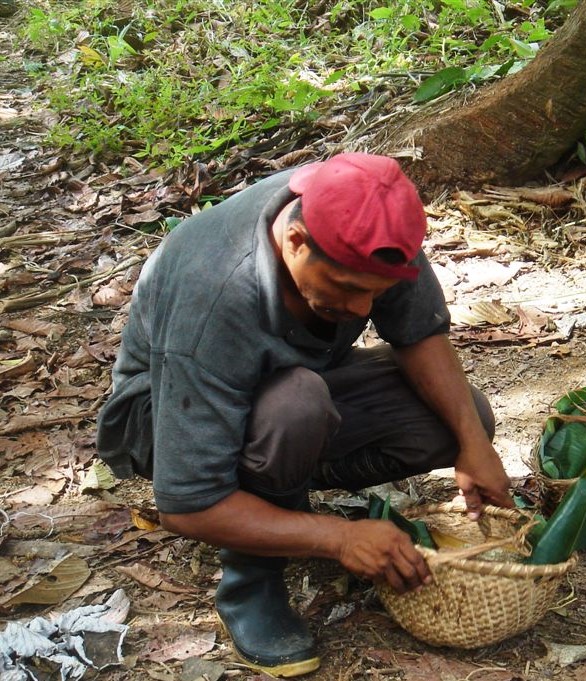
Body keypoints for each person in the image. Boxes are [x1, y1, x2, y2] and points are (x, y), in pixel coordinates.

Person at [96, 152, 514, 677]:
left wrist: (475, 445)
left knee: (460, 417)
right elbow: (186, 505)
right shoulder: (217, 290)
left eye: (375, 294)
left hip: (292, 396)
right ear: (294, 241)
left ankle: (283, 496)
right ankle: (252, 584)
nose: (363, 310)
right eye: (345, 289)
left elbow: (419, 334)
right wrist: (336, 539)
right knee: (296, 405)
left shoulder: (371, 228)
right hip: (171, 416)